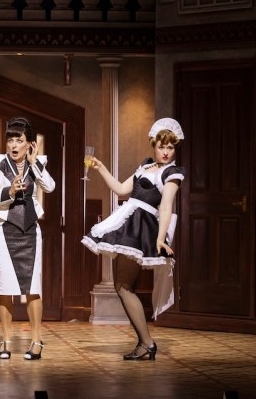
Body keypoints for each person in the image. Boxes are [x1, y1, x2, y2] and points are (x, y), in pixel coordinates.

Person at [82, 117, 186, 361]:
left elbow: (166, 207)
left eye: (170, 147)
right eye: (161, 146)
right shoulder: (146, 166)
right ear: (154, 145)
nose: (166, 152)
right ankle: (144, 343)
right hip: (127, 223)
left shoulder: (172, 173)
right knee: (121, 286)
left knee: (124, 286)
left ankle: (147, 343)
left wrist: (161, 239)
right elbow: (121, 189)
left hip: (140, 228)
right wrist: (101, 168)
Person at [0, 117, 56, 360]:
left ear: (30, 144)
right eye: (10, 140)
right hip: (4, 231)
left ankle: (36, 340)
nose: (14, 145)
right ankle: (6, 340)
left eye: (19, 140)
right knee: (5, 288)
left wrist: (35, 164)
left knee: (32, 288)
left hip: (30, 232)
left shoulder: (37, 163)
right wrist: (9, 191)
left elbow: (50, 187)